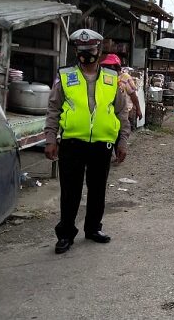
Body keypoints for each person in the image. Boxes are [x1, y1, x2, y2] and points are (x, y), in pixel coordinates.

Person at [44, 29, 130, 254]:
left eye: (90, 50)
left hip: (102, 144)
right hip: (72, 143)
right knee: (70, 191)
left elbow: (122, 113)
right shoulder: (65, 77)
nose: (86, 54)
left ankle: (93, 228)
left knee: (97, 190)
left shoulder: (111, 79)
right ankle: (65, 234)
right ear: (76, 51)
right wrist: (50, 139)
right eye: (82, 50)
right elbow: (53, 109)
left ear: (99, 50)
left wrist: (123, 142)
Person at [100, 54, 143, 125]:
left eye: (109, 66)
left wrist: (138, 109)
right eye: (105, 66)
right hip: (109, 111)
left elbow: (133, 95)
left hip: (124, 112)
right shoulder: (105, 77)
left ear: (116, 67)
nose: (107, 69)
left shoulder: (125, 77)